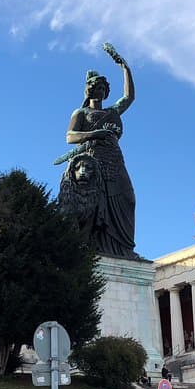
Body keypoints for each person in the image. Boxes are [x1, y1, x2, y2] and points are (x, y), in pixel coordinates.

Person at [62, 43, 138, 259]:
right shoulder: (81, 112)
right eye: (97, 87)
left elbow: (129, 97)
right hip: (92, 161)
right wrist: (95, 134)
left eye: (104, 88)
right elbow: (70, 137)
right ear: (90, 90)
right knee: (96, 205)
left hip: (114, 159)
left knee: (128, 199)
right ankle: (92, 246)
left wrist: (125, 68)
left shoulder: (113, 111)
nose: (101, 91)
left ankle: (122, 249)